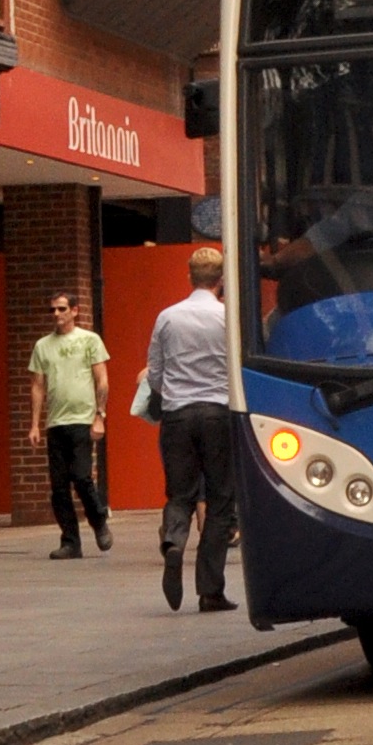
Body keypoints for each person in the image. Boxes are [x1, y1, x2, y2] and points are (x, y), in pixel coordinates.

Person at [148, 247, 239, 613]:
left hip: (178, 416)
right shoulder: (227, 318)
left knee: (180, 494)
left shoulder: (168, 317)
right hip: (218, 413)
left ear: (189, 277)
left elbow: (155, 372)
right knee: (219, 500)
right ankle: (210, 590)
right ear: (220, 281)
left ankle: (173, 541)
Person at [28, 292, 112, 559]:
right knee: (59, 485)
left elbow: (102, 380)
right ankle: (70, 540)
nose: (56, 314)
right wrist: (35, 424)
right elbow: (37, 386)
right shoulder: (43, 346)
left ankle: (98, 520)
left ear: (75, 311)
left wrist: (100, 415)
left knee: (82, 476)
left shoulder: (89, 340)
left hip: (82, 419)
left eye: (62, 309)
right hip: (56, 421)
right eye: (52, 310)